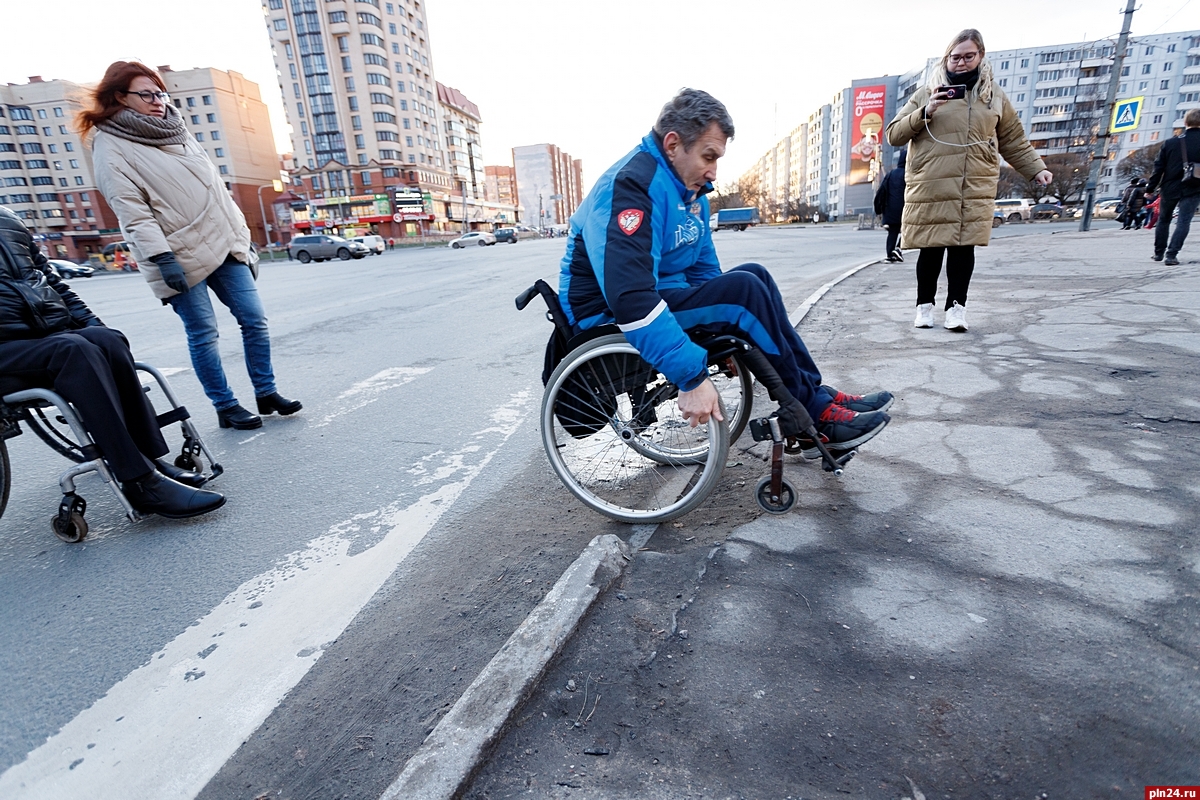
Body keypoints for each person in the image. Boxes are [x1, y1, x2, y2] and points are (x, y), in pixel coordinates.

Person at [557, 89, 892, 456]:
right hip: (607, 314)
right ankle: (816, 414)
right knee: (742, 293)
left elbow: (704, 272)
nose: (714, 171)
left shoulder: (689, 189)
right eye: (709, 156)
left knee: (753, 277)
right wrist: (692, 376)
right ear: (673, 144)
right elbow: (630, 298)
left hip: (657, 297)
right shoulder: (631, 186)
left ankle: (814, 396)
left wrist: (724, 327)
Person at [81, 61, 301, 430]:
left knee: (255, 320)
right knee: (203, 332)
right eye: (146, 94)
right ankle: (225, 405)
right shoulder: (110, 144)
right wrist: (161, 257)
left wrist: (242, 241)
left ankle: (266, 392)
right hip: (176, 252)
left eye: (160, 93)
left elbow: (215, 189)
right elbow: (131, 210)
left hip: (224, 243)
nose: (157, 101)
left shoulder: (176, 130)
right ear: (120, 97)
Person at [0, 206, 224, 519]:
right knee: (73, 349)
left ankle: (150, 459)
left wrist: (96, 326)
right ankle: (140, 483)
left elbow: (53, 283)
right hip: (8, 350)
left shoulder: (8, 220)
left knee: (108, 340)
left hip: (48, 335)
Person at [886, 29, 1052, 332]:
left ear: (980, 56)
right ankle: (924, 307)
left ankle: (956, 309)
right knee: (931, 248)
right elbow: (894, 133)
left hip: (973, 183)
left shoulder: (993, 96)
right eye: (955, 57)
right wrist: (926, 111)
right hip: (932, 183)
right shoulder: (927, 91)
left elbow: (1013, 139)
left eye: (968, 56)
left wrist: (1035, 168)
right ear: (946, 58)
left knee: (964, 248)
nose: (961, 63)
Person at [1146, 108, 1200, 265]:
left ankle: (1158, 253)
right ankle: (1171, 254)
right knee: (1184, 221)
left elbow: (1158, 168)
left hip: (1170, 187)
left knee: (1164, 219)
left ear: (1185, 122)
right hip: (1194, 187)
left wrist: (1150, 189)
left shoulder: (1171, 143)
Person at [873, 149, 907, 262]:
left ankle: (890, 255)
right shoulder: (909, 175)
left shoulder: (891, 174)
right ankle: (898, 248)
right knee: (909, 230)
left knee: (892, 232)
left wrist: (878, 209)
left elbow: (881, 191)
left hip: (890, 209)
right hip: (904, 209)